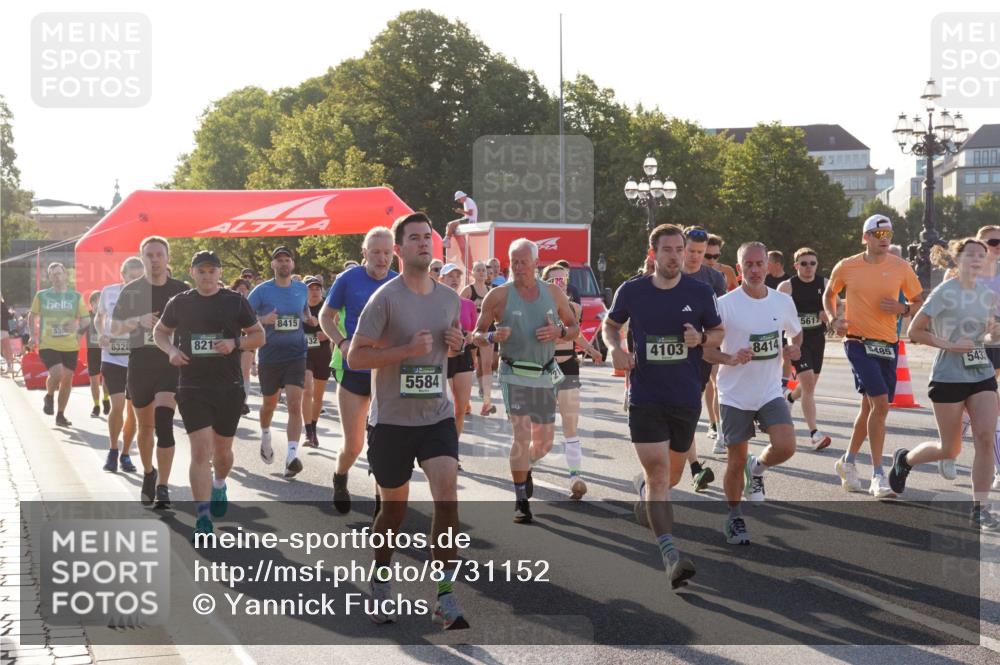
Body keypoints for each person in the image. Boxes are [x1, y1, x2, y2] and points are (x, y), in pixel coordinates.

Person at [347, 212, 470, 630]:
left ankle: (445, 595)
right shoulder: (385, 298)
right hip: (392, 423)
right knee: (393, 513)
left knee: (447, 496)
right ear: (399, 249)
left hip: (436, 416)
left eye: (427, 238)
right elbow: (356, 356)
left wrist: (457, 344)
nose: (423, 243)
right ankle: (381, 582)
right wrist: (403, 352)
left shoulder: (449, 298)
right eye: (414, 238)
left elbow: (450, 349)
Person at [604, 223, 724, 587]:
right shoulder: (632, 290)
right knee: (659, 477)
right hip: (646, 397)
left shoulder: (700, 292)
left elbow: (718, 333)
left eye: (679, 250)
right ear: (653, 253)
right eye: (667, 250)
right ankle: (671, 556)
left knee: (670, 478)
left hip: (685, 397)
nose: (674, 256)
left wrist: (701, 337)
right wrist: (615, 348)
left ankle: (645, 493)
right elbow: (610, 325)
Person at [885, 238, 998, 531]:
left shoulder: (986, 295)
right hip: (948, 376)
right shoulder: (945, 291)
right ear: (957, 259)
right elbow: (914, 331)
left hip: (981, 373)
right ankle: (906, 460)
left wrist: (992, 333)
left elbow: (985, 335)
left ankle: (980, 509)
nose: (977, 259)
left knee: (985, 438)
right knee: (949, 449)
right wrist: (949, 344)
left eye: (982, 255)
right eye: (971, 254)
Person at [155, 250, 265, 537]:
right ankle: (202, 517)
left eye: (211, 271)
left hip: (228, 387)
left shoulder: (235, 301)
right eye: (201, 271)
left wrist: (235, 343)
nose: (206, 276)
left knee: (223, 452)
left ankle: (219, 484)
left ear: (219, 273)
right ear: (192, 273)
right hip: (192, 386)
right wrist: (171, 350)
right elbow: (160, 332)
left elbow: (259, 335)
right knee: (200, 450)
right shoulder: (180, 302)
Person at [474, 238, 579, 524]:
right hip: (513, 373)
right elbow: (476, 335)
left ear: (536, 263)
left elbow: (573, 328)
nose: (518, 267)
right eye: (514, 262)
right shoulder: (498, 296)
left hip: (544, 373)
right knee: (521, 436)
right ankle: (521, 499)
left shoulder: (553, 293)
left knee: (544, 443)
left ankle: (525, 467)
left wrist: (558, 332)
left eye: (523, 262)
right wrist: (492, 336)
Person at [705, 242, 802, 546]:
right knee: (735, 461)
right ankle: (734, 516)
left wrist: (793, 348)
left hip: (769, 390)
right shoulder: (724, 305)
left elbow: (796, 334)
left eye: (760, 264)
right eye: (748, 264)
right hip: (734, 394)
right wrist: (730, 358)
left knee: (786, 446)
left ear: (768, 266)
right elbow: (706, 351)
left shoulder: (782, 301)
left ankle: (757, 468)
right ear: (739, 269)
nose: (755, 270)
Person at [824, 214, 923, 497]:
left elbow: (918, 300)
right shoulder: (847, 266)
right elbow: (829, 294)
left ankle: (847, 461)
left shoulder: (900, 267)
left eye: (888, 234)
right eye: (878, 235)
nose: (884, 240)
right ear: (865, 237)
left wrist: (903, 309)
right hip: (857, 342)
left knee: (869, 408)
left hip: (888, 344)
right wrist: (833, 319)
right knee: (880, 405)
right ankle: (878, 476)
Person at [319, 227, 397, 514]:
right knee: (354, 445)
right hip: (353, 370)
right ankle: (340, 476)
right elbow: (325, 316)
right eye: (375, 252)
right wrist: (341, 342)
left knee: (383, 445)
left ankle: (381, 508)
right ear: (364, 253)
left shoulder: (398, 282)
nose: (382, 258)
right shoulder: (348, 279)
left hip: (386, 373)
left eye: (387, 253)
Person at [111, 237, 188, 508]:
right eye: (149, 255)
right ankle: (148, 472)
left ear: (167, 258)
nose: (154, 260)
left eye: (159, 255)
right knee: (145, 427)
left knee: (164, 423)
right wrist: (137, 321)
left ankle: (163, 486)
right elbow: (113, 328)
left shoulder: (181, 290)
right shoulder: (132, 290)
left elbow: (195, 323)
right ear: (141, 258)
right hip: (140, 365)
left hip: (170, 364)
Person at [247, 246, 315, 479]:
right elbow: (243, 318)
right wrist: (263, 319)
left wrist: (309, 319)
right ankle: (266, 434)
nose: (284, 263)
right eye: (279, 260)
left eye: (287, 260)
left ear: (292, 264)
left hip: (296, 354)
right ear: (273, 265)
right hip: (270, 356)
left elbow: (304, 312)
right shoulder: (261, 291)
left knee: (295, 404)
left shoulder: (301, 288)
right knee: (270, 404)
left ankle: (291, 457)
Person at [543, 263, 602, 499]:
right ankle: (527, 464)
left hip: (567, 366)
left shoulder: (575, 308)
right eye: (554, 280)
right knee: (543, 432)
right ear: (546, 282)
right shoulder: (537, 307)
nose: (559, 283)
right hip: (543, 368)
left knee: (570, 422)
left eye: (563, 279)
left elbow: (574, 335)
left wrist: (591, 349)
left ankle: (575, 476)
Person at [680, 226, 725, 490]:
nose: (696, 257)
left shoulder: (714, 279)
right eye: (692, 251)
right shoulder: (668, 273)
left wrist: (709, 342)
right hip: (669, 355)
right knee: (678, 412)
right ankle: (694, 466)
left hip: (700, 353)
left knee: (689, 410)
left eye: (701, 252)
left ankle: (693, 466)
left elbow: (721, 321)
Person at [777, 247, 832, 450]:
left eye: (812, 263)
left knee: (809, 386)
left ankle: (789, 397)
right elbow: (776, 312)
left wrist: (829, 315)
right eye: (804, 263)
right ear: (796, 266)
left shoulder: (825, 284)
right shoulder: (787, 287)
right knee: (808, 384)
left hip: (817, 339)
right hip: (796, 340)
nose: (808, 267)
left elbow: (837, 306)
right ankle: (814, 433)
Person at [96, 257, 144, 473]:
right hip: (112, 356)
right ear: (122, 275)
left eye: (139, 277)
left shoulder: (148, 294)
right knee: (117, 405)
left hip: (137, 357)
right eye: (131, 277)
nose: (134, 281)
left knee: (133, 411)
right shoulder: (109, 292)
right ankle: (113, 450)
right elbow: (99, 317)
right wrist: (101, 333)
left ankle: (125, 454)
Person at [28, 262, 90, 428]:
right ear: (49, 277)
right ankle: (49, 395)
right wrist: (32, 335)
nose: (56, 276)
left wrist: (78, 333)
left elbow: (86, 320)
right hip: (48, 343)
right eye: (52, 274)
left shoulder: (75, 297)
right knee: (57, 372)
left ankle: (60, 415)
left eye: (59, 273)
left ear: (65, 275)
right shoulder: (42, 295)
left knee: (67, 380)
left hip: (70, 345)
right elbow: (32, 316)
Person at [440, 264, 477, 437]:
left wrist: (470, 336)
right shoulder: (433, 303)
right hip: (442, 357)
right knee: (445, 410)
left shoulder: (468, 304)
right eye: (450, 276)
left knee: (460, 409)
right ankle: (443, 447)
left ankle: (454, 447)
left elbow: (474, 332)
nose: (454, 279)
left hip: (463, 357)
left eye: (457, 276)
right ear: (441, 279)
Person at [461, 261, 495, 416]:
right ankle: (466, 401)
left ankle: (487, 402)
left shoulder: (491, 291)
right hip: (471, 332)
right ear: (472, 273)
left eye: (484, 270)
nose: (482, 272)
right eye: (478, 270)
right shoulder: (468, 290)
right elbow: (458, 307)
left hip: (487, 330)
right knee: (471, 366)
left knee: (487, 365)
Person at [302, 276, 331, 448]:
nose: (314, 292)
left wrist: (326, 334)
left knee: (318, 396)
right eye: (310, 289)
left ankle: (313, 427)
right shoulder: (300, 307)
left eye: (317, 289)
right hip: (304, 353)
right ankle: (308, 432)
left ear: (321, 291)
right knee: (307, 390)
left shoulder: (327, 307)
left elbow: (338, 326)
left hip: (322, 353)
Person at [229, 278, 255, 415]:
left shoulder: (252, 303)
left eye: (245, 290)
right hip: (231, 341)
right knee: (233, 372)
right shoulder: (229, 302)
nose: (243, 292)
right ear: (234, 290)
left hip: (247, 340)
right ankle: (232, 399)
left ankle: (243, 402)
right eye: (240, 289)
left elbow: (257, 323)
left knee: (245, 372)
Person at [85, 290, 111, 418]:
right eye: (96, 301)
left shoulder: (109, 315)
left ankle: (106, 399)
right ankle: (96, 406)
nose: (99, 303)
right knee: (94, 380)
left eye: (101, 300)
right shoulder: (87, 316)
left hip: (106, 351)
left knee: (106, 377)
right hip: (92, 351)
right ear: (91, 304)